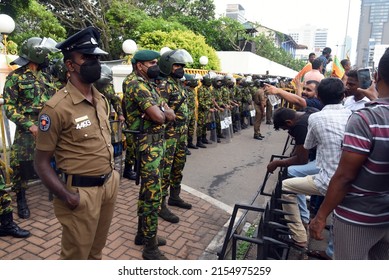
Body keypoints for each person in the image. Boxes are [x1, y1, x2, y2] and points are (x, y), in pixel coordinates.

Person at [33, 27, 119, 260]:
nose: (95, 62)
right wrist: (67, 196)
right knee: (76, 258)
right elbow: (41, 163)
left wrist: (113, 180)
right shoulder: (56, 108)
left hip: (108, 186)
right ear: (70, 65)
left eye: (97, 58)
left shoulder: (101, 99)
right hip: (80, 194)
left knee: (95, 252)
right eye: (87, 58)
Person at [309, 49, 389, 260]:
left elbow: (345, 176)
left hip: (358, 217)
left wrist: (321, 217)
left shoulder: (366, 118)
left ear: (376, 77)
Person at [280, 77, 352, 249]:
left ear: (318, 96)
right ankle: (330, 250)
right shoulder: (352, 114)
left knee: (286, 186)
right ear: (343, 95)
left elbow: (308, 145)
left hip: (327, 180)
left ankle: (299, 236)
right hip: (351, 179)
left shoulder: (315, 118)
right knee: (339, 212)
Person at [122, 49, 175, 260]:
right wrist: (162, 113)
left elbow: (164, 109)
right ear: (139, 65)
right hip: (147, 146)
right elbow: (160, 116)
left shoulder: (149, 83)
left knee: (148, 193)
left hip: (154, 145)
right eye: (151, 62)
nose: (155, 65)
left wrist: (162, 111)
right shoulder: (136, 83)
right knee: (152, 195)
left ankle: (142, 234)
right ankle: (150, 247)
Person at [3, 37, 58, 219]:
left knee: (56, 159)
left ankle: (58, 191)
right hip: (27, 130)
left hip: (48, 127)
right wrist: (30, 125)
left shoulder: (47, 76)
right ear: (37, 54)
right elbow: (9, 107)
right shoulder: (15, 77)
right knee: (21, 165)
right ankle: (21, 199)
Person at [268, 107, 319, 230]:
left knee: (293, 172)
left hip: (328, 162)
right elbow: (300, 147)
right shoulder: (308, 112)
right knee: (296, 170)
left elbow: (301, 160)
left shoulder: (300, 126)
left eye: (287, 129)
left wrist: (277, 163)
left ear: (289, 123)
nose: (288, 132)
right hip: (326, 156)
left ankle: (303, 218)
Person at [158, 49, 193, 224]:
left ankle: (175, 196)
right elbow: (160, 106)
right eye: (177, 65)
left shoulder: (179, 84)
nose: (181, 68)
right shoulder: (164, 85)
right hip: (169, 135)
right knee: (166, 169)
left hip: (181, 134)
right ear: (168, 66)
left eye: (182, 65)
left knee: (178, 166)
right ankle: (161, 205)